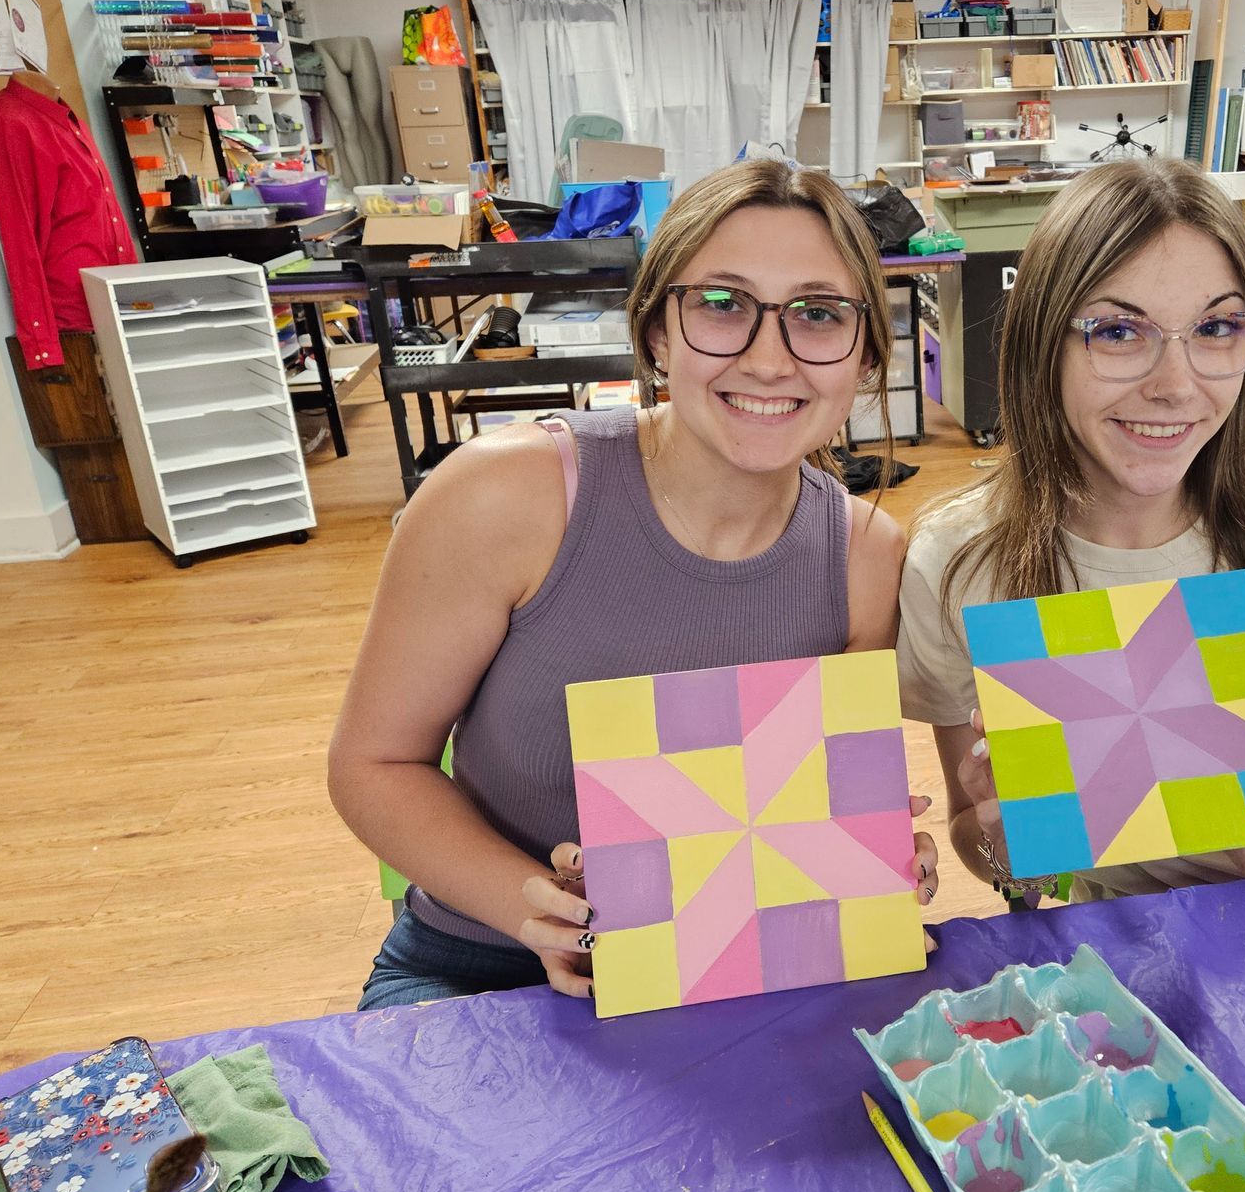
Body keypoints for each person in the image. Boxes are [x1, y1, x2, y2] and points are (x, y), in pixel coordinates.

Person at [332, 160, 938, 1008]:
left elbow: (783, 817)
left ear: (865, 350)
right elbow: (373, 763)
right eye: (721, 305)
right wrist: (537, 912)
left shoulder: (869, 558)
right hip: (482, 965)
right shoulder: (505, 495)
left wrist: (861, 854)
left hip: (744, 966)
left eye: (818, 313)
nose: (770, 359)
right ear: (657, 333)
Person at [897, 158, 1245, 901]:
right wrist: (1004, 840)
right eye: (1119, 331)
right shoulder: (961, 562)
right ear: (1040, 342)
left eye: (1216, 327)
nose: (1176, 384)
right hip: (1139, 933)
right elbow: (980, 833)